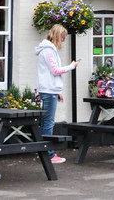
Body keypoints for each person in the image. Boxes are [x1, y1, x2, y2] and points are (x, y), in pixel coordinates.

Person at [35, 24, 78, 164]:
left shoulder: (49, 49)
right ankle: (48, 154)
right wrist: (72, 66)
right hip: (48, 91)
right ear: (57, 36)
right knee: (48, 123)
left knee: (47, 122)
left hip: (50, 90)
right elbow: (55, 70)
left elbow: (50, 72)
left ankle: (45, 152)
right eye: (63, 37)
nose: (64, 40)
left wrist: (58, 91)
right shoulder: (48, 50)